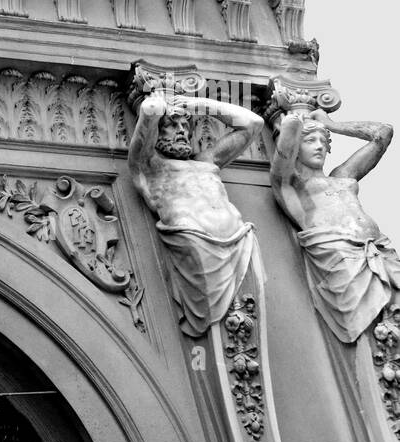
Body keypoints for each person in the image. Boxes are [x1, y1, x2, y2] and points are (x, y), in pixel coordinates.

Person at [128, 88, 264, 336]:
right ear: (157, 130)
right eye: (172, 125)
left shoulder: (206, 161)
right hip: (195, 248)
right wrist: (158, 104)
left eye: (185, 125)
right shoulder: (150, 166)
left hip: (237, 244)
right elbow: (149, 112)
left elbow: (253, 123)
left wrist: (197, 103)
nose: (182, 130)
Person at [270, 108, 396, 342]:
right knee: (373, 337)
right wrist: (294, 122)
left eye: (323, 141)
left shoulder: (342, 175)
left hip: (380, 254)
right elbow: (284, 150)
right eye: (310, 141)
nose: (319, 146)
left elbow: (383, 133)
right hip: (340, 257)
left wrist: (331, 125)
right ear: (297, 147)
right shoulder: (291, 186)